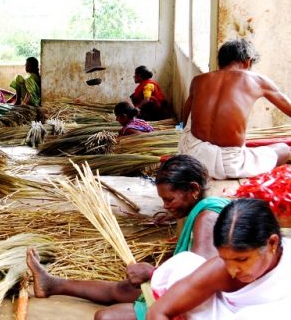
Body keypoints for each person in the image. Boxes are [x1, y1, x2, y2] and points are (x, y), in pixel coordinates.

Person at [26, 155, 231, 320]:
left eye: (169, 199)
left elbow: (201, 277)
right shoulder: (207, 209)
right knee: (125, 288)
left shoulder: (207, 218)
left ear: (194, 189)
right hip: (191, 295)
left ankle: (53, 284)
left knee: (106, 317)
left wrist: (153, 273)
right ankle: (52, 284)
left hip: (200, 306)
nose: (165, 206)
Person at [148, 198, 290, 319]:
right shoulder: (221, 270)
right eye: (225, 259)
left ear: (272, 243)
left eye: (242, 260)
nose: (233, 271)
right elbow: (158, 311)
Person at [179, 39, 291, 180]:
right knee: (283, 149)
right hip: (229, 164)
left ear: (220, 62)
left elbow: (185, 117)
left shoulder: (198, 80)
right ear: (248, 62)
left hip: (192, 155)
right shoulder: (258, 81)